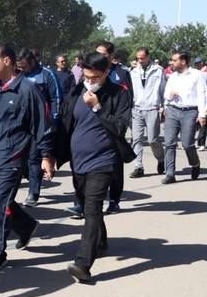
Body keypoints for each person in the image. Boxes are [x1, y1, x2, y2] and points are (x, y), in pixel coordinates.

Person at [0, 43, 54, 271]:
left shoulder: (28, 90)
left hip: (12, 158)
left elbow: (42, 125)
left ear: (7, 61)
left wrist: (46, 155)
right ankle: (26, 226)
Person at [54, 52, 135, 283]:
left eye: (95, 77)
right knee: (89, 206)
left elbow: (119, 127)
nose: (90, 81)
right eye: (86, 76)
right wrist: (50, 155)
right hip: (78, 161)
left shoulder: (119, 94)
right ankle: (101, 240)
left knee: (91, 209)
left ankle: (83, 264)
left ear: (106, 72)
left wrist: (98, 107)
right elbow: (65, 123)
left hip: (104, 161)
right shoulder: (77, 91)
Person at [17, 47, 61, 207]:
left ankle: (33, 193)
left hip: (41, 123)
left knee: (34, 158)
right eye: (20, 66)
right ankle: (36, 176)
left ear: (32, 61)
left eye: (24, 66)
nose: (22, 69)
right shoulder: (19, 75)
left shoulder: (46, 74)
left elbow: (56, 98)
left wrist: (54, 120)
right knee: (22, 160)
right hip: (22, 124)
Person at [96, 41, 133, 214]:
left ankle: (114, 200)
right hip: (95, 122)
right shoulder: (91, 71)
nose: (99, 57)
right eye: (97, 53)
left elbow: (127, 98)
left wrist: (121, 124)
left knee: (115, 165)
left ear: (111, 56)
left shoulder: (121, 73)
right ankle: (83, 202)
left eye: (103, 54)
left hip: (114, 123)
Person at [162, 51, 207, 184]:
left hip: (190, 111)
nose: (171, 62)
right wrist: (169, 96)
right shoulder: (173, 76)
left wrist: (202, 114)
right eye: (171, 60)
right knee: (169, 143)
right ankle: (170, 174)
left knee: (187, 144)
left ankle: (195, 163)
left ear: (183, 61)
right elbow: (166, 95)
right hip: (172, 110)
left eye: (174, 60)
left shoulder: (197, 75)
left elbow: (202, 95)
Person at [129, 48, 165, 178]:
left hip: (152, 108)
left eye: (142, 58)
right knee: (136, 139)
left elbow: (163, 90)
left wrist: (163, 107)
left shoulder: (158, 71)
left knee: (152, 140)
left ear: (148, 57)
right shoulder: (133, 71)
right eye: (138, 58)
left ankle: (161, 159)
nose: (140, 61)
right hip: (137, 109)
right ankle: (138, 167)